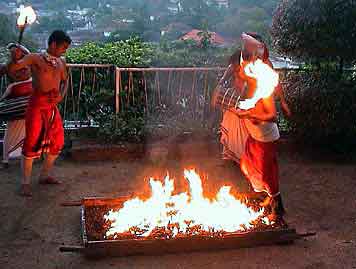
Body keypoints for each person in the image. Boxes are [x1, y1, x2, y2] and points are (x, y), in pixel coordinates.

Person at [7, 30, 71, 196]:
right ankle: (25, 183)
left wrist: (60, 97)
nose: (64, 51)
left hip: (51, 108)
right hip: (36, 106)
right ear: (53, 44)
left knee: (58, 141)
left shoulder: (61, 62)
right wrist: (15, 58)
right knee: (31, 142)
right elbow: (14, 68)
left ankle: (44, 175)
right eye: (63, 47)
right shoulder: (35, 58)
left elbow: (65, 81)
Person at [233, 33, 284, 221]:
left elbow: (271, 116)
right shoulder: (248, 87)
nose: (240, 70)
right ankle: (264, 199)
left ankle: (277, 211)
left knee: (267, 174)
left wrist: (249, 115)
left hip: (266, 138)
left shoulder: (263, 87)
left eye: (242, 67)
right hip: (255, 136)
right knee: (247, 165)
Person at [0, 43, 33, 169]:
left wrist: (21, 48)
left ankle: (29, 156)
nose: (15, 53)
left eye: (17, 51)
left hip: (29, 105)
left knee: (31, 132)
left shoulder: (28, 62)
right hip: (14, 104)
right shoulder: (8, 66)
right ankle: (6, 160)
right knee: (10, 133)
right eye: (13, 52)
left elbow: (32, 58)